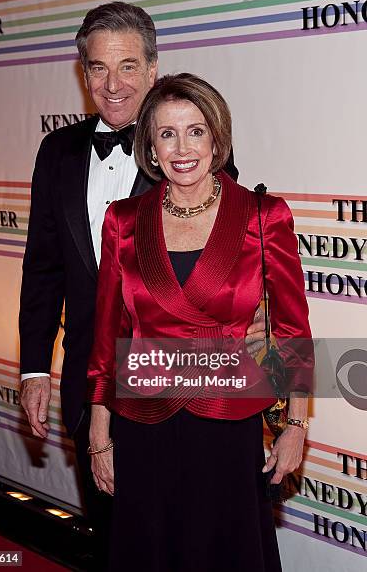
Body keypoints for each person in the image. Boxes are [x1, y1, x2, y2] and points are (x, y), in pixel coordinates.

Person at [18, 2, 264, 563]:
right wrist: (35, 367)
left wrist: (285, 406)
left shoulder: (191, 154)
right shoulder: (55, 153)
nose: (113, 84)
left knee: (192, 540)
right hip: (91, 387)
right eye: (98, 68)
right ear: (83, 74)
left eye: (128, 66)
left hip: (187, 390)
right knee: (116, 541)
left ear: (153, 69)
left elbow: (232, 277)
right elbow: (43, 268)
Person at [88, 73, 312, 572]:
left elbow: (295, 329)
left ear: (217, 137)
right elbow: (108, 338)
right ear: (150, 145)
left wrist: (296, 425)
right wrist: (100, 435)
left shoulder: (262, 215)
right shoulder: (123, 220)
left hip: (227, 425)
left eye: (195, 130)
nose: (182, 147)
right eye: (167, 133)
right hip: (143, 425)